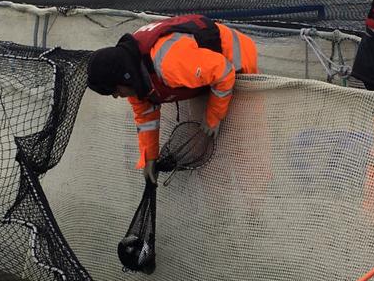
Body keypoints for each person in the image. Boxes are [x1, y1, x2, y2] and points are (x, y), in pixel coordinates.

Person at [86, 14, 259, 182]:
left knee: (248, 142)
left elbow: (223, 72)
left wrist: (213, 117)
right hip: (203, 76)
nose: (116, 96)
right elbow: (146, 118)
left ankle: (256, 196)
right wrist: (149, 158)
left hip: (237, 64)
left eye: (114, 90)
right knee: (213, 146)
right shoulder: (136, 78)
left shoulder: (168, 63)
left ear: (124, 77)